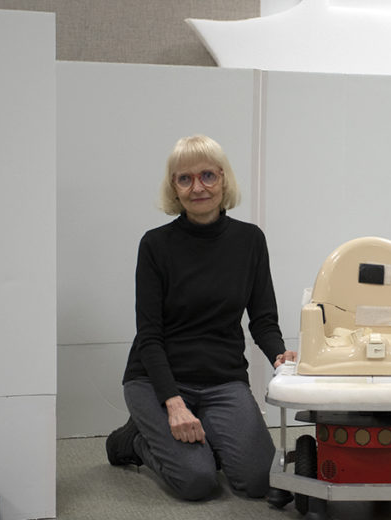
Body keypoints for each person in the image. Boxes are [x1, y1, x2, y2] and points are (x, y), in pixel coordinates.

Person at [105, 134, 297, 501]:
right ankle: (135, 440)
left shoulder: (250, 241)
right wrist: (173, 403)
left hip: (222, 379)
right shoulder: (155, 245)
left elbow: (262, 318)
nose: (198, 188)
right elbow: (149, 335)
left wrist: (280, 356)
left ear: (223, 179)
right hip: (157, 381)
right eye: (185, 179)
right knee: (197, 482)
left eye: (208, 175)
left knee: (259, 479)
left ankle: (203, 436)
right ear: (173, 188)